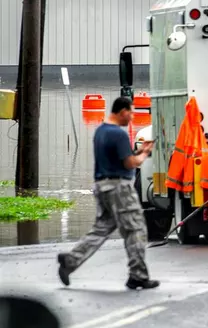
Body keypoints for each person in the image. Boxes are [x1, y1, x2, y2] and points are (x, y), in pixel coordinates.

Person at [57, 97, 159, 290]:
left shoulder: (100, 132)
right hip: (119, 187)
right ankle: (138, 275)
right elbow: (129, 163)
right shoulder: (118, 135)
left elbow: (115, 157)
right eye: (131, 113)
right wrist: (145, 153)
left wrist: (137, 150)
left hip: (102, 186)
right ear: (122, 112)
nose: (132, 118)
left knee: (101, 229)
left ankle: (70, 261)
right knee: (136, 229)